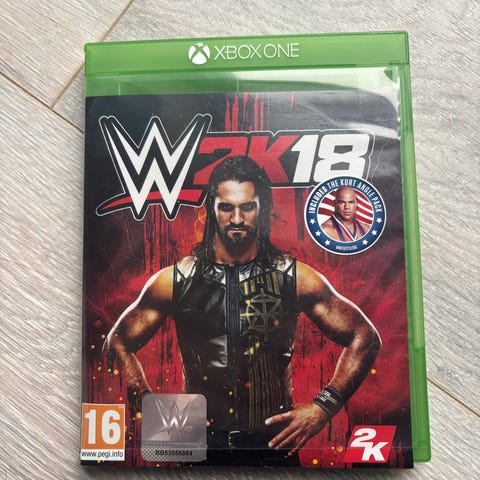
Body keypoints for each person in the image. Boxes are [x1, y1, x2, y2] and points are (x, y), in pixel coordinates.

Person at [106, 156, 381, 465]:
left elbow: (365, 336)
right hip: (199, 446)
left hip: (274, 448)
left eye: (247, 207)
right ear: (211, 209)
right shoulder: (175, 280)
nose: (237, 218)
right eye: (226, 207)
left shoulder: (293, 277)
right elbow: (117, 342)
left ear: (262, 208)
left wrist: (324, 407)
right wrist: (149, 405)